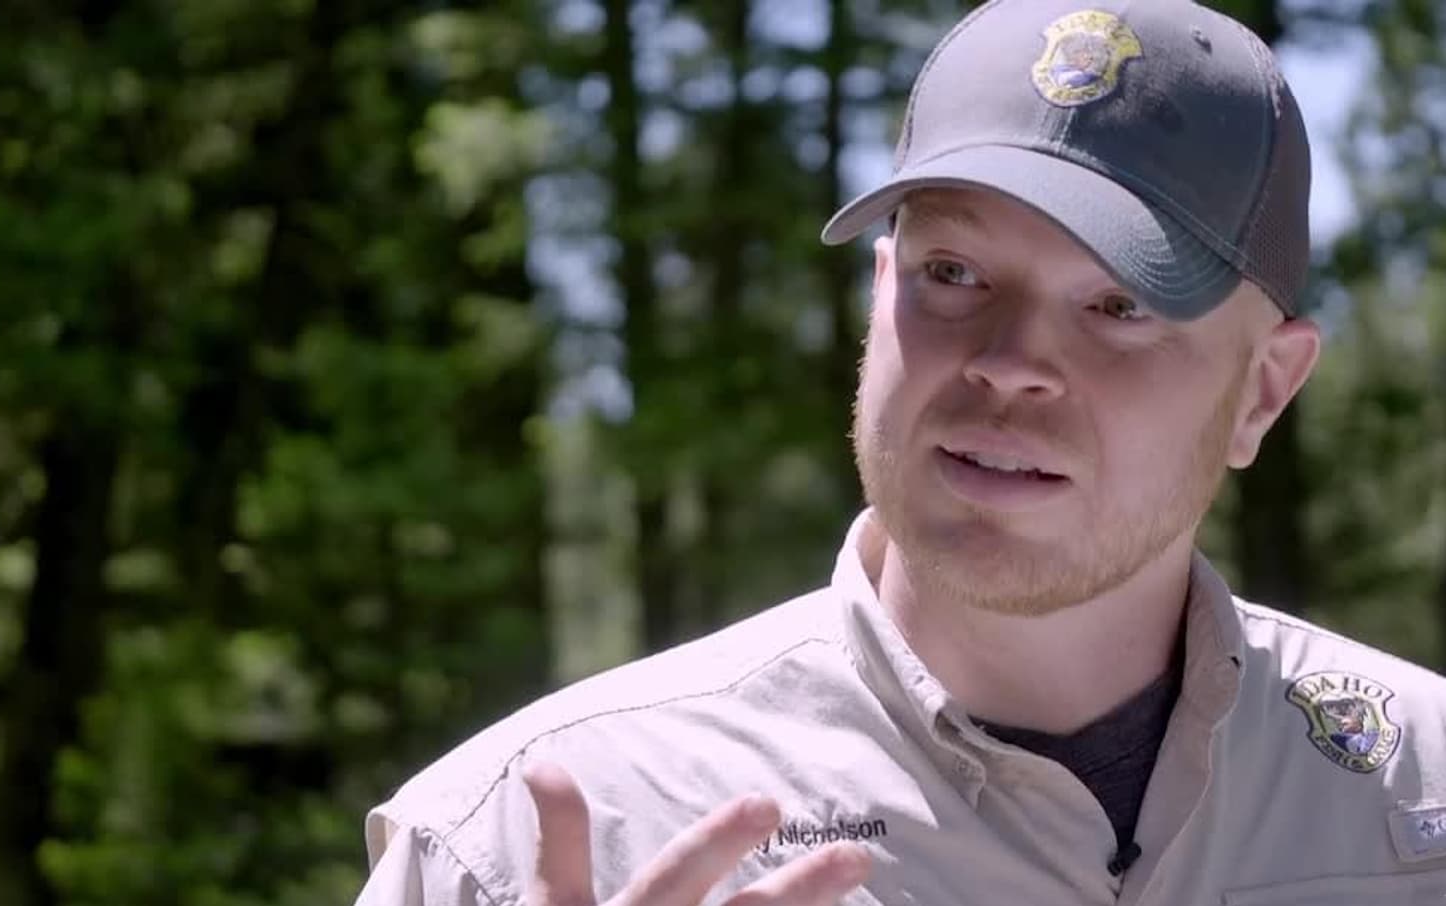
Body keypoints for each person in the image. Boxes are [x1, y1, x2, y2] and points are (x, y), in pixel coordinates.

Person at [356, 0, 1446, 903]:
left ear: (1264, 390)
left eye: (1119, 305)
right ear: (880, 295)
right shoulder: (527, 840)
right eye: (954, 274)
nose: (1010, 364)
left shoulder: (1422, 792)